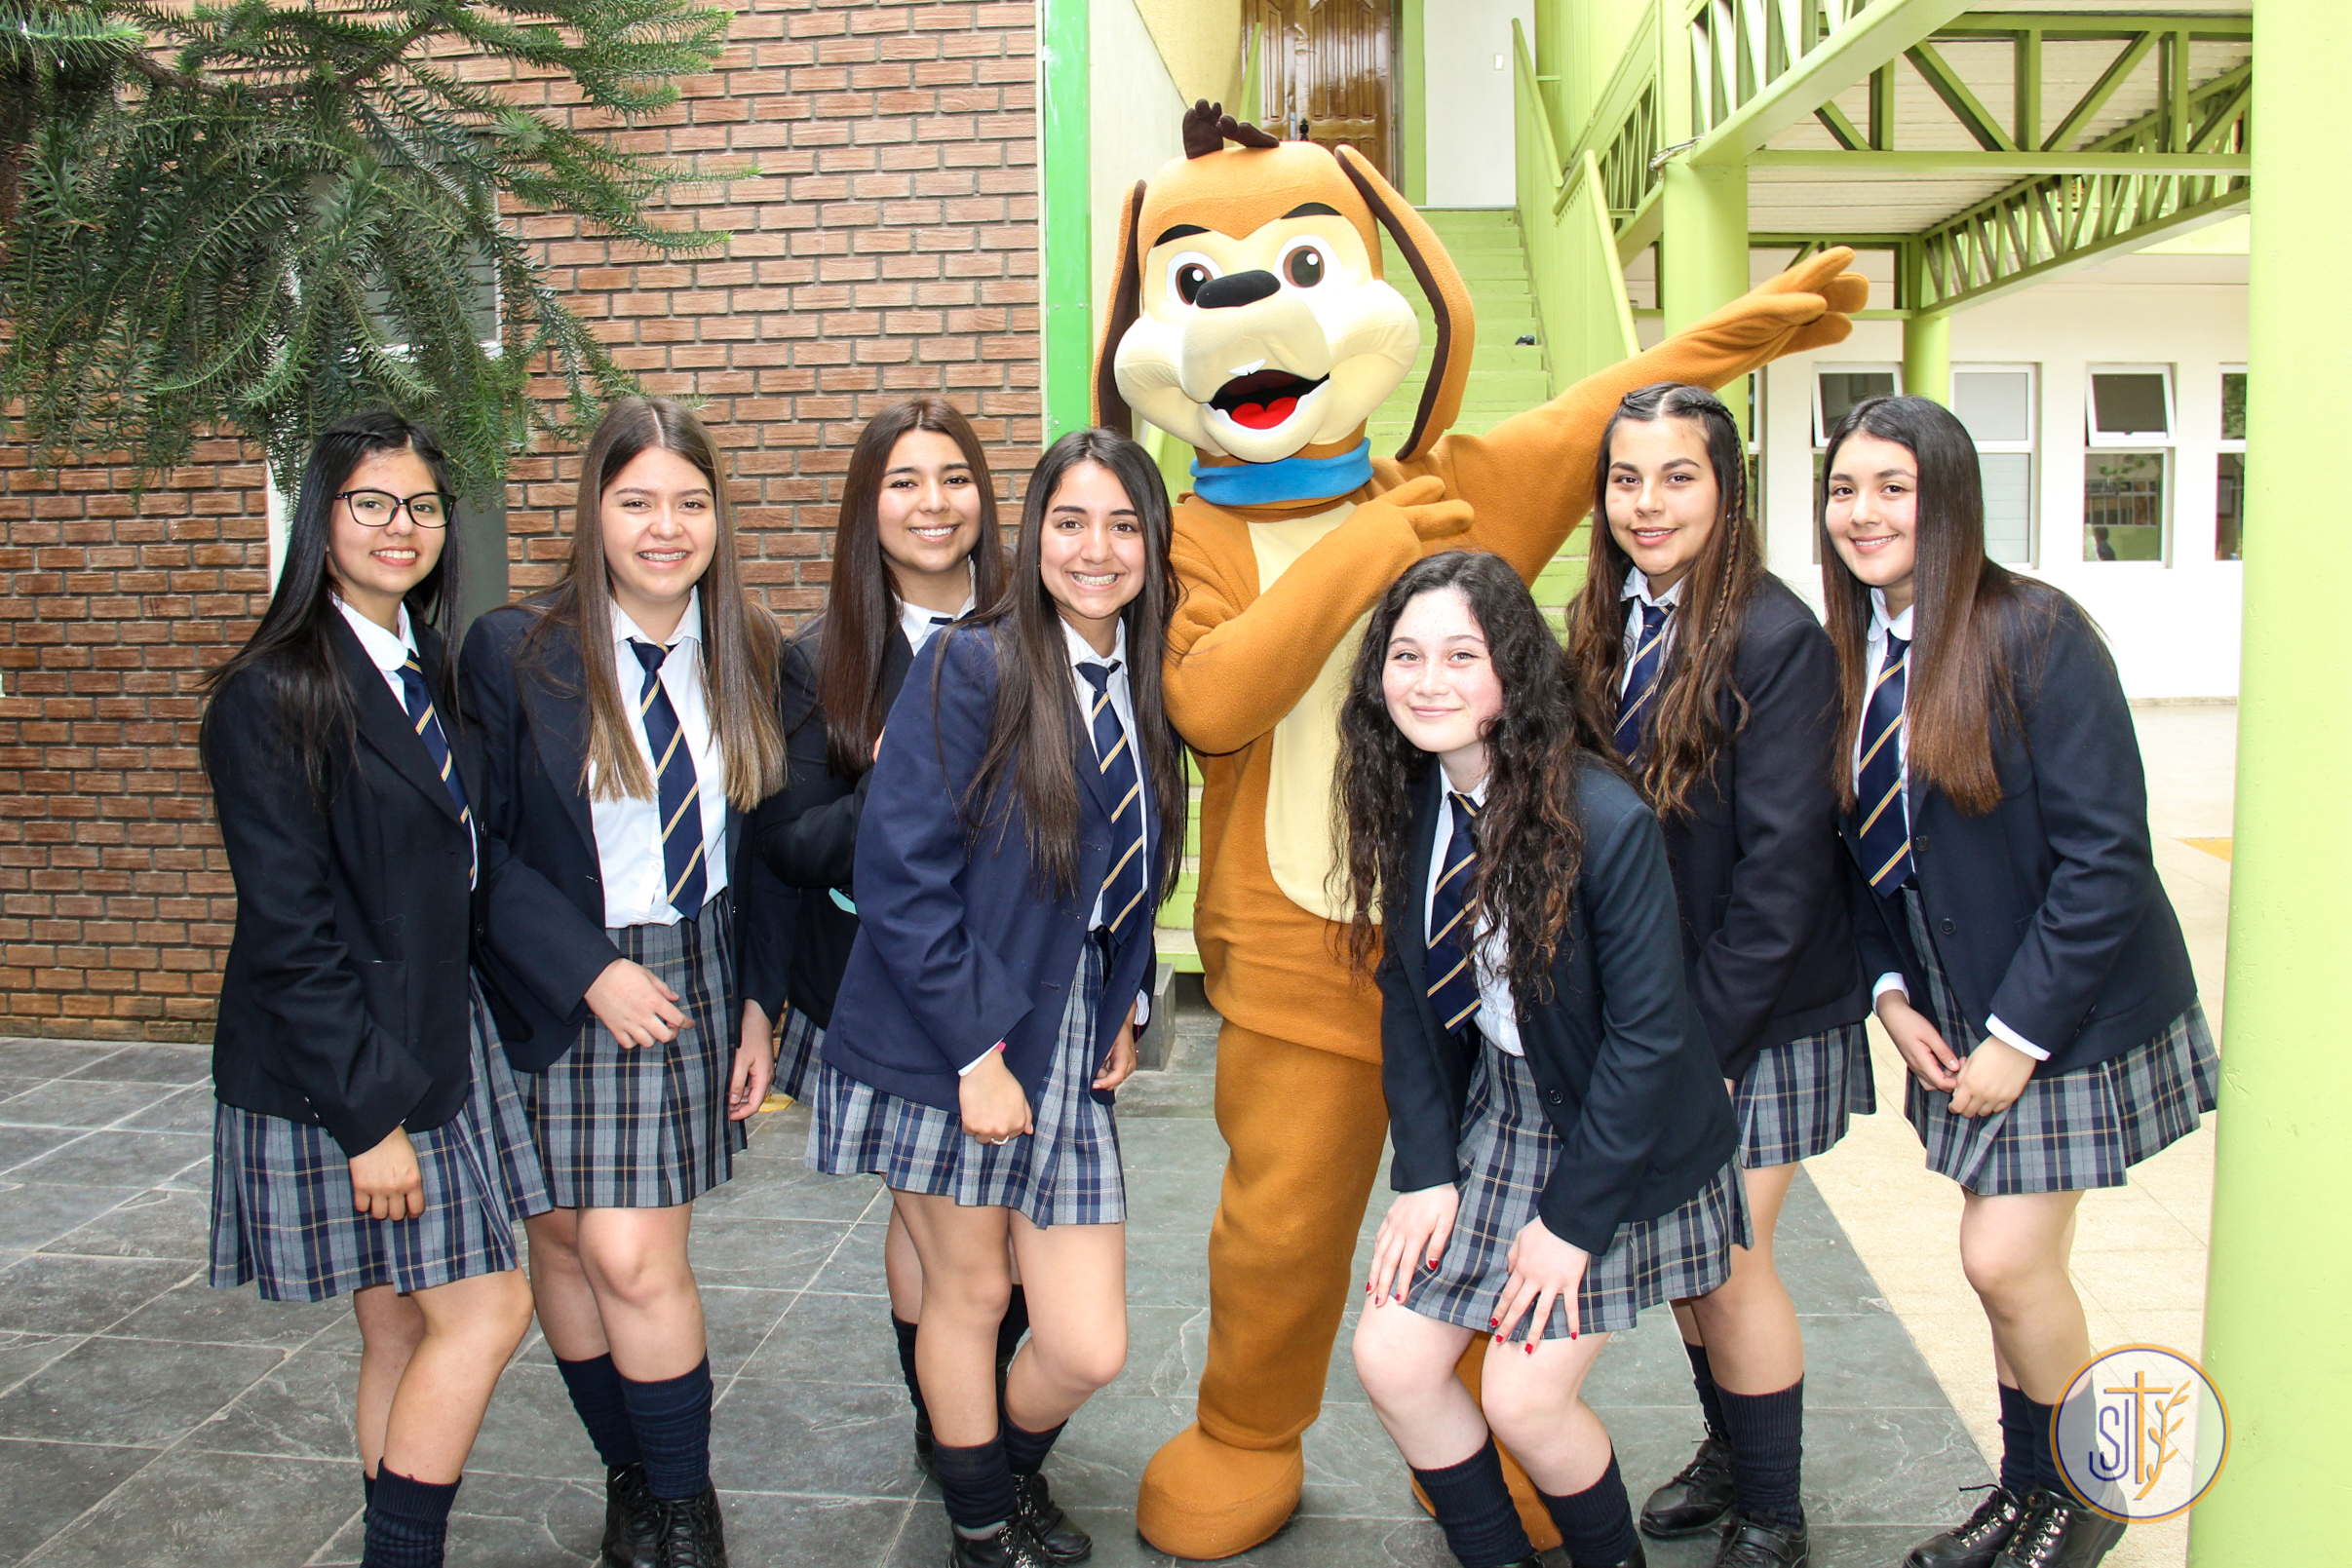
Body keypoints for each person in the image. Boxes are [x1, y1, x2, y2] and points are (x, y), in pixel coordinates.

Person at [1820, 396, 2217, 1568]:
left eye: (1892, 487)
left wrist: (2016, 1035)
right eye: (1843, 489)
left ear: (1947, 498)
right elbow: (1853, 851)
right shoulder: (1853, 651)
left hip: (2063, 1006)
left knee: (2002, 1259)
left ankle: (2089, 1498)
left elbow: (2106, 857)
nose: (1862, 512)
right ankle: (2027, 1493)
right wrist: (1891, 996)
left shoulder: (2036, 633)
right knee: (2012, 1274)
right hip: (1948, 999)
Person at [809, 429, 1183, 1568]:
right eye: (1069, 522)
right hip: (951, 1036)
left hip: (1067, 1032)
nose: (1095, 548)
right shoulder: (972, 666)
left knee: (1085, 1343)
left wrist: (1124, 1002)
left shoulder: (1143, 681)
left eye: (1122, 525)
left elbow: (1124, 871)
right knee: (969, 1294)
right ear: (1032, 534)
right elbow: (900, 875)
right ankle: (982, 1525)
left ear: (1153, 544)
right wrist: (977, 1054)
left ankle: (999, 1473)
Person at [1339, 549, 1745, 1568]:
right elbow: (1408, 996)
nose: (1427, 680)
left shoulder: (1602, 818)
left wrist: (1568, 1225)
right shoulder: (1420, 795)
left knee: (1523, 1396)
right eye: (1405, 655)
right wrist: (1426, 1170)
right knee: (1391, 1359)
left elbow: (1647, 1039)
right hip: (1508, 1112)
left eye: (1460, 656)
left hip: (1620, 1134)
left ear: (1512, 672)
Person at [202, 410, 547, 1568]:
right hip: (351, 1067)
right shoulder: (269, 693)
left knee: (400, 1322)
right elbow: (288, 931)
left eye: (423, 507)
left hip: (438, 1034)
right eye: (372, 503)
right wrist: (369, 1122)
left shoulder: (423, 669)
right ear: (322, 518)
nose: (402, 527)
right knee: (489, 1306)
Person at [462, 396, 788, 1568]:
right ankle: (632, 1478)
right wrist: (585, 967)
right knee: (561, 1244)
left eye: (690, 503)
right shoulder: (514, 650)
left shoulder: (752, 649)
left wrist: (760, 1003)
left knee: (632, 1256)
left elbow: (767, 850)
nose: (666, 527)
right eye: (637, 500)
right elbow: (479, 846)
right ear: (593, 512)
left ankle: (687, 1510)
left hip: (688, 970)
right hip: (554, 978)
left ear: (717, 517)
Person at [1561, 384, 1870, 1568]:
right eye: (1625, 478)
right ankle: (1733, 1451)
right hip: (1669, 1010)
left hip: (1757, 1013)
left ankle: (1775, 1508)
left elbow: (1783, 874)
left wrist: (1702, 1049)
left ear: (1726, 491)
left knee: (1731, 1258)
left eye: (1677, 476)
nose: (1646, 502)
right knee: (1696, 1261)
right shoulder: (1606, 618)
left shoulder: (1776, 639)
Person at [744, 397, 1022, 1472]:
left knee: (974, 1235)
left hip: (1022, 985)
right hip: (883, 990)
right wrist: (913, 772)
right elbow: (790, 842)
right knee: (959, 1248)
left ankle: (960, 1420)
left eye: (953, 477)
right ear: (868, 506)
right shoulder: (820, 661)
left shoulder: (1036, 635)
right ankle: (961, 1439)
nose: (931, 503)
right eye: (903, 481)